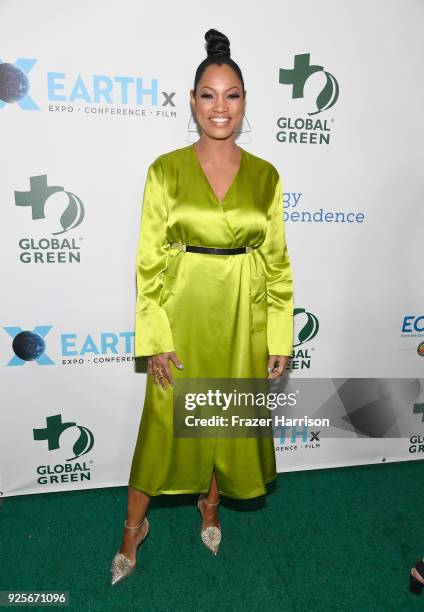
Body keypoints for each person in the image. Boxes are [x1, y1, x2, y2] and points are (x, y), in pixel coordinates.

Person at [110, 28, 294, 586]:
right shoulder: (165, 170)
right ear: (192, 101)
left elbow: (278, 264)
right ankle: (131, 531)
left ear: (245, 103)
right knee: (164, 429)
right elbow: (147, 262)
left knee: (222, 420)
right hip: (181, 315)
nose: (221, 107)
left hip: (244, 317)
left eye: (232, 95)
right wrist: (155, 337)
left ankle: (209, 509)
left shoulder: (266, 176)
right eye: (209, 94)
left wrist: (280, 338)